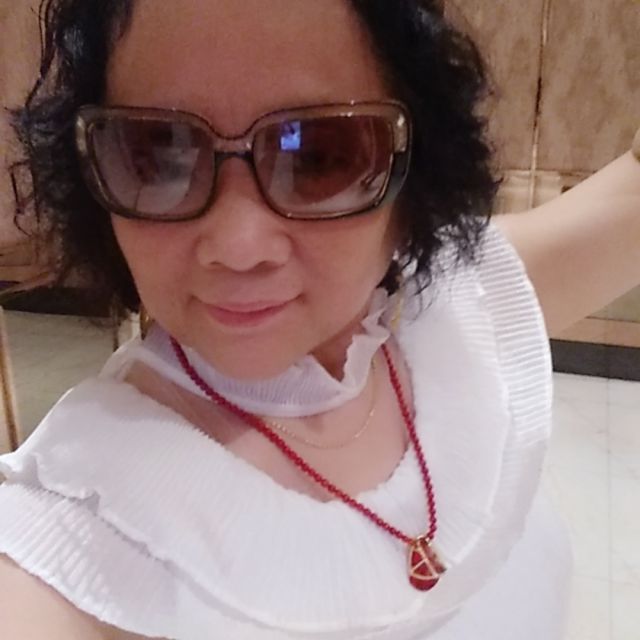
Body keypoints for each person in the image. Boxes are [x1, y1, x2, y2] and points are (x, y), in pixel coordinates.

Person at [0, 1, 639, 638]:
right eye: (157, 155)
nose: (238, 245)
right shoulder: (73, 532)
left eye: (318, 156)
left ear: (414, 164)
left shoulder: (447, 313)